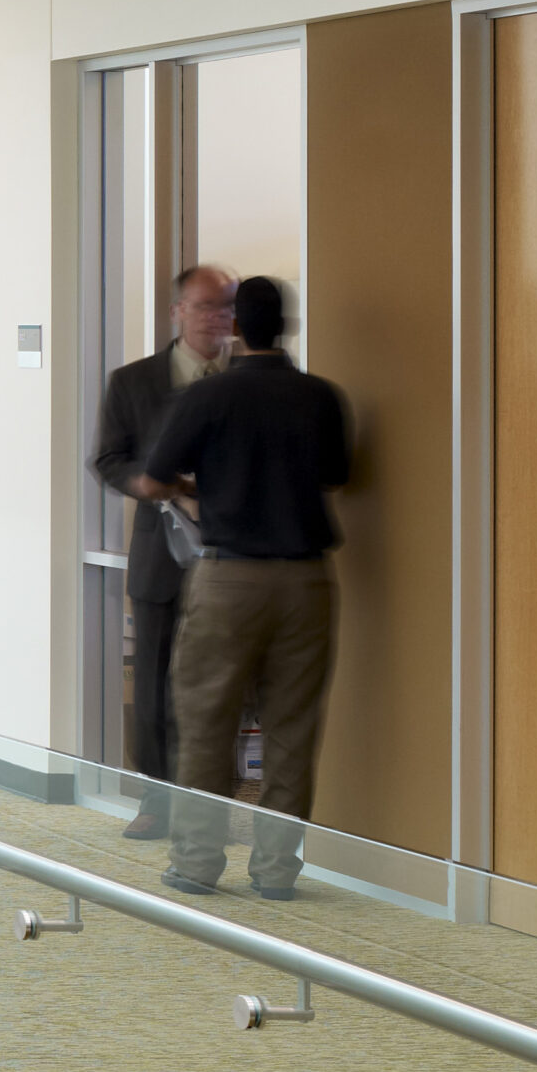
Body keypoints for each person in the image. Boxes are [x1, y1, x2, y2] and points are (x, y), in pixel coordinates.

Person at [139, 271, 352, 901]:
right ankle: (276, 873)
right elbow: (337, 477)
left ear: (235, 326)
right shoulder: (322, 396)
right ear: (286, 326)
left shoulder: (208, 397)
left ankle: (197, 865)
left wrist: (198, 487)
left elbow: (153, 479)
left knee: (207, 721)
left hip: (229, 576)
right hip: (309, 581)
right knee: (293, 727)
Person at [90, 263, 234, 833]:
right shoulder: (134, 381)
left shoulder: (242, 381)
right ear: (177, 311)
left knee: (218, 677)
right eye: (204, 307)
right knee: (152, 675)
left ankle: (208, 802)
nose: (215, 319)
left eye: (225, 308)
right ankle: (157, 798)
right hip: (160, 547)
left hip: (230, 553)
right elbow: (107, 459)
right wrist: (144, 484)